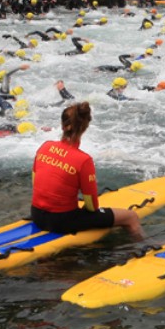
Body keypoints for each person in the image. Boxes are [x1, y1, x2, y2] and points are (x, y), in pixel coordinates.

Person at [30, 101, 142, 238]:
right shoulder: (84, 160)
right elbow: (91, 205)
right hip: (61, 222)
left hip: (36, 214)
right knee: (131, 217)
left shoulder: (45, 146)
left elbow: (36, 183)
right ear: (85, 127)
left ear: (62, 125)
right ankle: (144, 249)